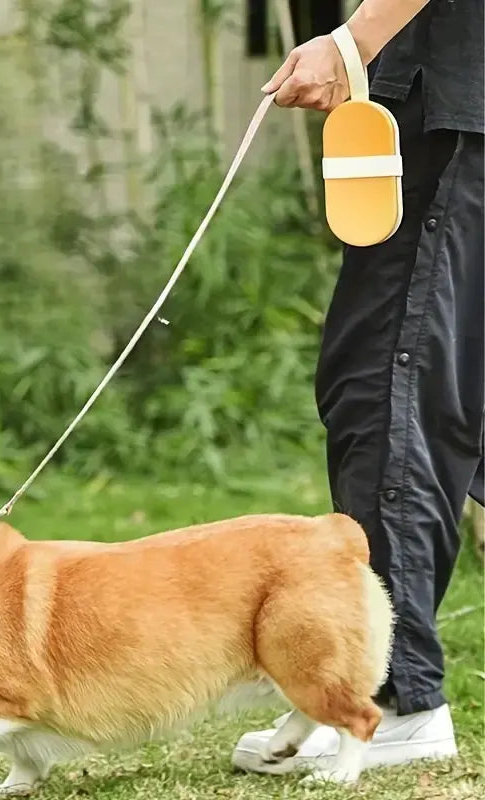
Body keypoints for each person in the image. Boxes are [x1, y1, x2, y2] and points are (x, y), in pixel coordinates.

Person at [232, 0, 484, 775]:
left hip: (449, 109)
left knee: (386, 389)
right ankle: (362, 683)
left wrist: (352, 42)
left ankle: (394, 697)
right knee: (454, 391)